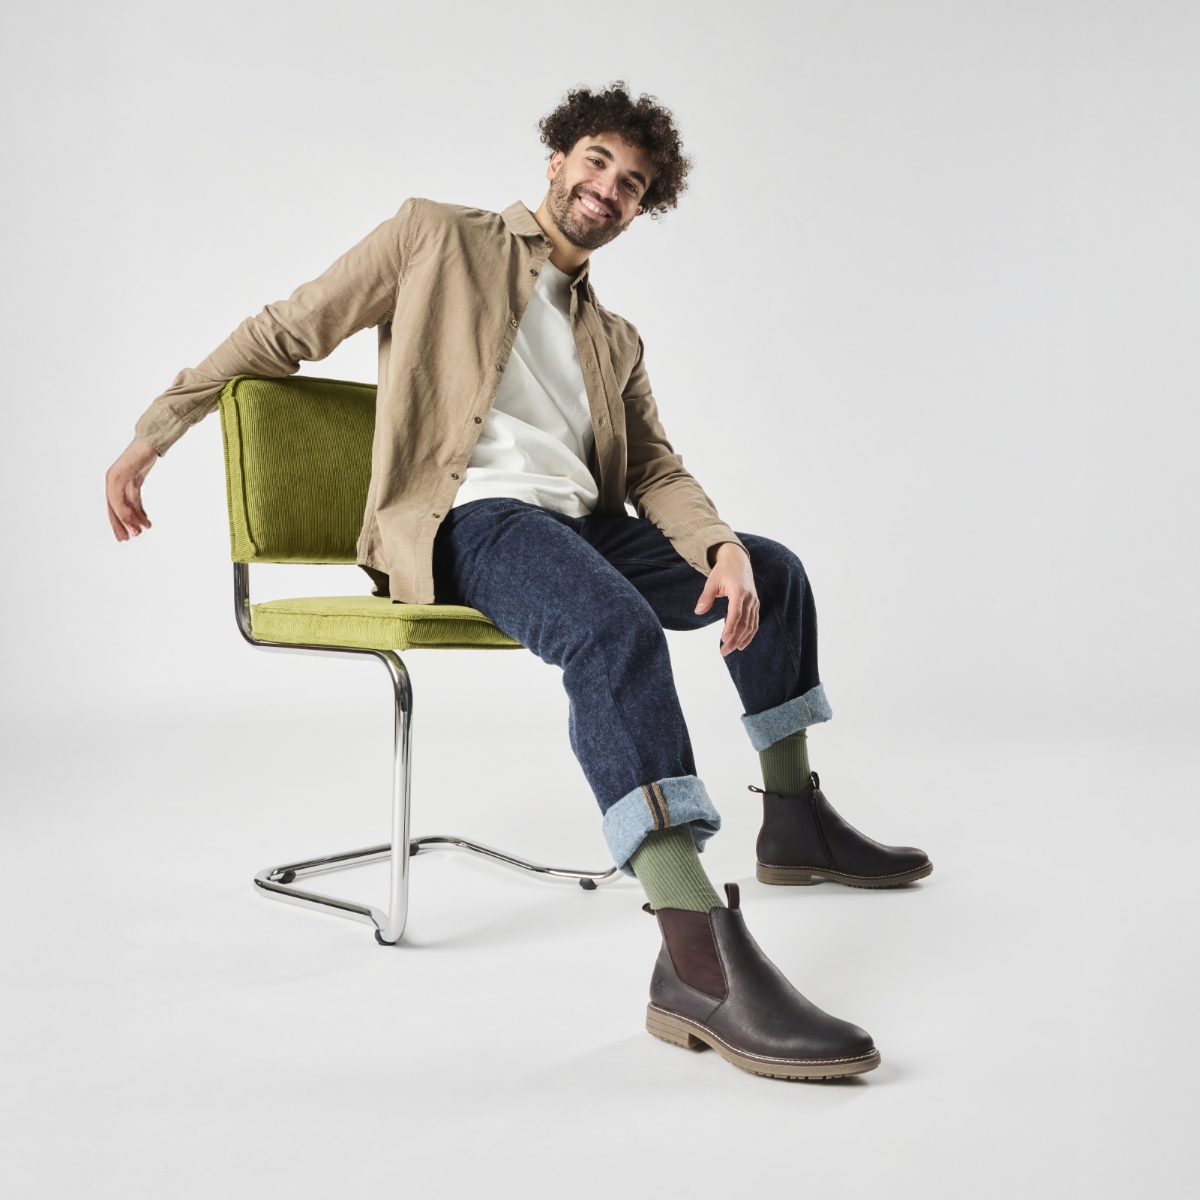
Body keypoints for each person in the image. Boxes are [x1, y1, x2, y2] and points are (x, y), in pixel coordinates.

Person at [106, 83, 931, 1081]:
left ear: (640, 209)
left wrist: (718, 546)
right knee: (613, 629)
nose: (609, 188)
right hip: (473, 521)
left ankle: (794, 821)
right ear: (556, 161)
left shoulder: (615, 339)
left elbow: (656, 471)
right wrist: (155, 432)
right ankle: (694, 956)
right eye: (597, 162)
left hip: (590, 527)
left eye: (633, 184)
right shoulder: (435, 238)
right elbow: (289, 328)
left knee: (775, 571)